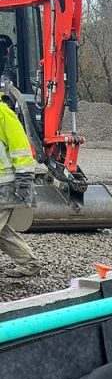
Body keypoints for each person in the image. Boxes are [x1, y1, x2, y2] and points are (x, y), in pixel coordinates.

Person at [0, 96, 39, 279]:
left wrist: (24, 180)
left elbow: (21, 148)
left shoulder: (3, 114)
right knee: (2, 232)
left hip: (6, 185)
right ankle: (29, 263)